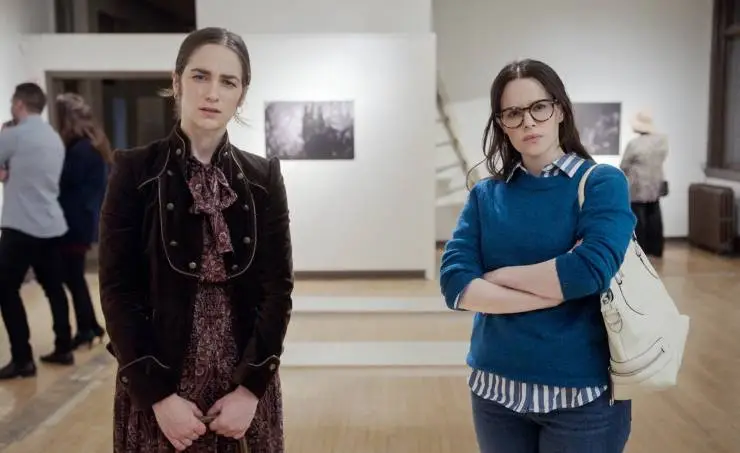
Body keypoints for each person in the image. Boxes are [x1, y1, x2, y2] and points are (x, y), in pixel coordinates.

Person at [98, 27, 293, 452]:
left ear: (242, 95)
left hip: (243, 387)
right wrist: (158, 396)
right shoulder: (134, 172)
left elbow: (277, 290)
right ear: (177, 81)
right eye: (200, 76)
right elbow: (117, 290)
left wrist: (250, 390)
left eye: (228, 82)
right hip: (159, 383)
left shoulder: (263, 179)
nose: (212, 93)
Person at [440, 59, 636, 453]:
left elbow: (588, 271)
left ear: (560, 110)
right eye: (513, 113)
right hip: (495, 392)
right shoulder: (485, 195)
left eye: (539, 107)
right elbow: (455, 283)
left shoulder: (601, 183)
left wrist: (496, 277)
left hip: (581, 397)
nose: (528, 121)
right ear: (502, 124)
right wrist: (556, 290)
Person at [0, 82, 75, 380]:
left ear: (19, 104)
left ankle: (22, 359)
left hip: (20, 226)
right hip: (50, 225)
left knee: (6, 289)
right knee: (54, 288)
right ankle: (64, 347)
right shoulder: (53, 137)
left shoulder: (14, 135)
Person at [54, 92, 110, 349]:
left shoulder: (80, 150)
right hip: (80, 219)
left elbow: (64, 182)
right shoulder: (92, 145)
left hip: (73, 222)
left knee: (72, 277)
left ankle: (87, 328)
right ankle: (90, 326)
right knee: (73, 276)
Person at [620, 110, 668, 258]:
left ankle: (641, 250)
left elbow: (624, 165)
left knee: (638, 218)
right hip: (655, 183)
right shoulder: (662, 141)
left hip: (638, 185)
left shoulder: (635, 144)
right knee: (655, 215)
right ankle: (657, 249)